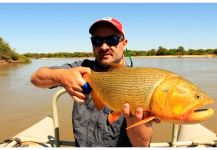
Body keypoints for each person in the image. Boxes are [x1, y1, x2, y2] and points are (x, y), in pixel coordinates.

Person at [31, 17, 156, 147]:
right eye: (97, 41)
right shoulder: (81, 68)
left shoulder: (138, 82)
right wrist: (61, 76)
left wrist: (133, 120)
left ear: (124, 44)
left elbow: (142, 144)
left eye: (112, 40)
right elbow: (36, 78)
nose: (104, 46)